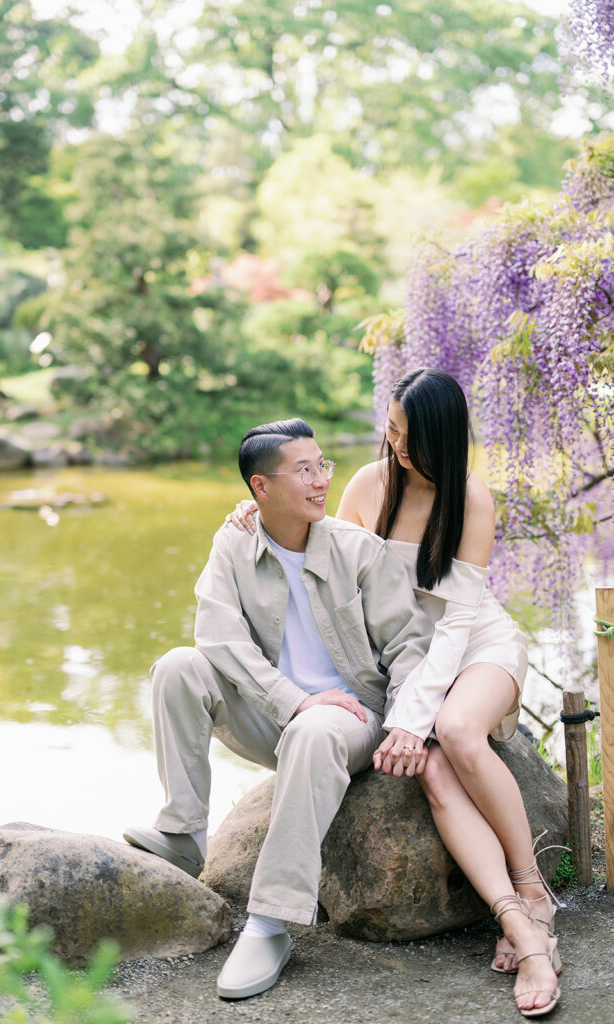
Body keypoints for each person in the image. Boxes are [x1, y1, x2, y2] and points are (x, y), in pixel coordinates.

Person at [226, 370, 562, 1020]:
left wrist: (413, 715)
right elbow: (319, 567)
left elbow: (458, 621)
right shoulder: (368, 486)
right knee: (433, 767)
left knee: (459, 733)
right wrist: (257, 514)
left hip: (474, 646)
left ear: (441, 435)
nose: (396, 444)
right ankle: (520, 929)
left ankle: (534, 890)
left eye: (408, 435)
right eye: (391, 429)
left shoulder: (469, 497)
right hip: (402, 660)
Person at [124, 417, 432, 1001]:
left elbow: (410, 646)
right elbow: (217, 636)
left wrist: (405, 728)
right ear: (260, 489)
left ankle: (269, 922)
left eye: (324, 467)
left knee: (317, 728)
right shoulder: (233, 543)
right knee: (176, 666)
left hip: (350, 721)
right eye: (304, 470)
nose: (321, 481)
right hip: (280, 715)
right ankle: (184, 834)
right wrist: (294, 699)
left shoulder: (357, 549)